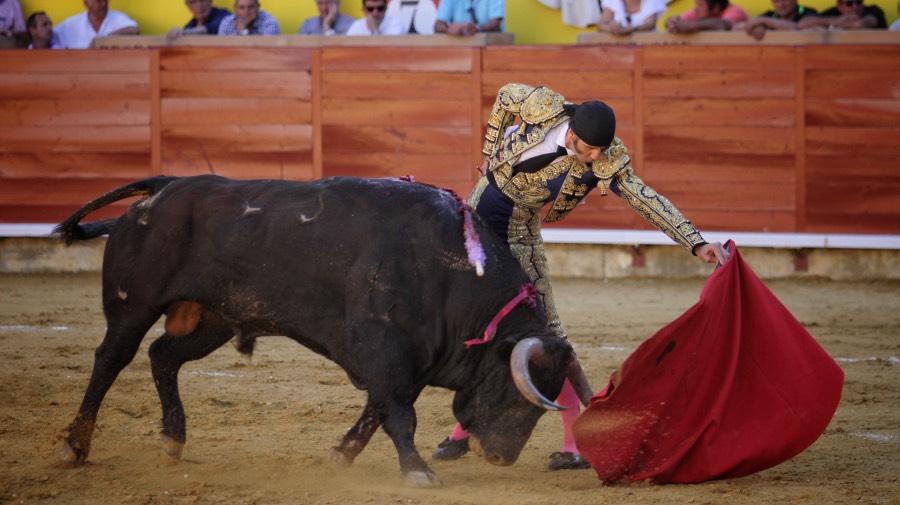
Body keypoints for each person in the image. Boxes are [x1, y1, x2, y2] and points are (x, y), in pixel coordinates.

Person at [430, 83, 729, 470]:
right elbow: (505, 96)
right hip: (476, 224)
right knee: (479, 328)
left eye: (601, 150)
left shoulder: (605, 160)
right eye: (590, 149)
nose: (596, 157)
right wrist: (488, 153)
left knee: (548, 335)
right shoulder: (543, 107)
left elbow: (645, 198)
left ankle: (575, 443)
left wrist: (695, 242)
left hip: (518, 237)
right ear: (571, 133)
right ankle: (464, 431)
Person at [54, 0, 138, 49]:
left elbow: (134, 30)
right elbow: (51, 36)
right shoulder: (71, 24)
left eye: (105, 0)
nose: (103, 4)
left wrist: (102, 40)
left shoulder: (118, 17)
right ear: (86, 3)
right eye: (98, 1)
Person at [737, 0, 817, 40]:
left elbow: (797, 27)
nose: (781, 4)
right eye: (776, 1)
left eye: (785, 0)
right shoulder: (770, 15)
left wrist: (764, 21)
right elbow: (739, 27)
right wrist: (757, 27)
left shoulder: (808, 12)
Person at [665, 0, 749, 33]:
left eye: (700, 5)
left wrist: (691, 26)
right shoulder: (698, 11)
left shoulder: (735, 12)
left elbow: (723, 25)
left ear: (716, 8)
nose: (696, 9)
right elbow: (676, 21)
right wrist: (672, 22)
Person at [797, 0, 887, 29]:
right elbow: (802, 23)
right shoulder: (833, 13)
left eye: (859, 2)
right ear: (839, 6)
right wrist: (836, 20)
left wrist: (839, 24)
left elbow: (860, 24)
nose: (855, 7)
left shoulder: (874, 10)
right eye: (849, 3)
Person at [596, 0, 668, 35]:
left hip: (646, 48)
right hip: (618, 49)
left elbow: (649, 24)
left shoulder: (651, 1)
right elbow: (601, 25)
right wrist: (612, 29)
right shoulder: (613, 1)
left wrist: (631, 29)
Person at [434, 0, 504, 36]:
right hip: (458, 48)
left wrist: (476, 28)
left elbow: (495, 25)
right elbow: (437, 25)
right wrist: (448, 29)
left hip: (488, 48)